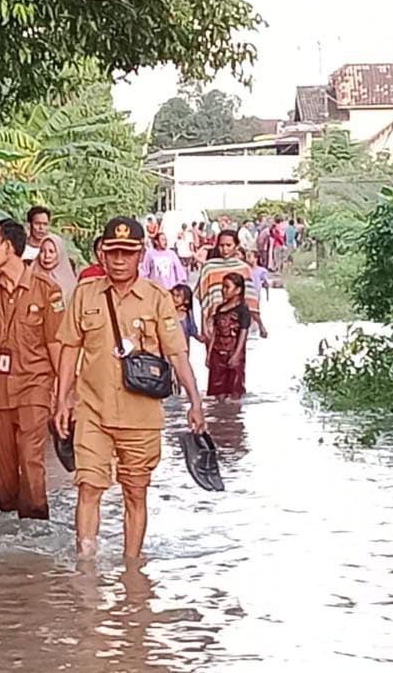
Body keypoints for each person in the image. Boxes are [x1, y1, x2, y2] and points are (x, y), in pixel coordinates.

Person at [55, 217, 205, 562]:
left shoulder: (156, 299)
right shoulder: (85, 294)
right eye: (113, 253)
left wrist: (195, 402)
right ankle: (86, 567)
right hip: (92, 410)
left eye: (127, 253)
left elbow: (177, 354)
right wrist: (61, 400)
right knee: (88, 487)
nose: (119, 260)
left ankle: (132, 569)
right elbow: (68, 349)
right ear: (102, 255)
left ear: (141, 256)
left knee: (135, 494)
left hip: (141, 417)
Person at [0, 220, 64, 520]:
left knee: (32, 460)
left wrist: (64, 396)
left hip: (34, 387)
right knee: (4, 473)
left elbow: (55, 346)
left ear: (8, 247)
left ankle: (37, 528)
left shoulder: (46, 290)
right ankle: (10, 544)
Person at [197, 230, 268, 339]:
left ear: (236, 246)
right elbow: (204, 300)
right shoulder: (209, 268)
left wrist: (260, 324)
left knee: (236, 353)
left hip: (237, 323)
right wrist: (204, 327)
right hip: (215, 323)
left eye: (228, 245)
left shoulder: (243, 269)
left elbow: (250, 299)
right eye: (221, 245)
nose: (225, 249)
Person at [203, 273, 251, 401]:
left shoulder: (243, 310)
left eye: (227, 287)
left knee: (234, 390)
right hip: (217, 354)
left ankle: (233, 419)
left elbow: (243, 334)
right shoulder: (219, 309)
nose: (223, 290)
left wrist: (236, 355)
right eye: (222, 287)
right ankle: (220, 418)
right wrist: (209, 353)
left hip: (233, 353)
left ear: (238, 290)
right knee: (218, 391)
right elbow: (215, 333)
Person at [36, 233, 78, 303]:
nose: (47, 255)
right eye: (42, 251)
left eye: (51, 251)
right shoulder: (30, 277)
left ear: (60, 254)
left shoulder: (70, 283)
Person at [170, 284, 199, 349]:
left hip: (183, 348)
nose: (174, 298)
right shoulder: (169, 313)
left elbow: (192, 329)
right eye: (173, 295)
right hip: (170, 347)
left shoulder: (187, 315)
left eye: (178, 296)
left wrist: (199, 337)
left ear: (186, 300)